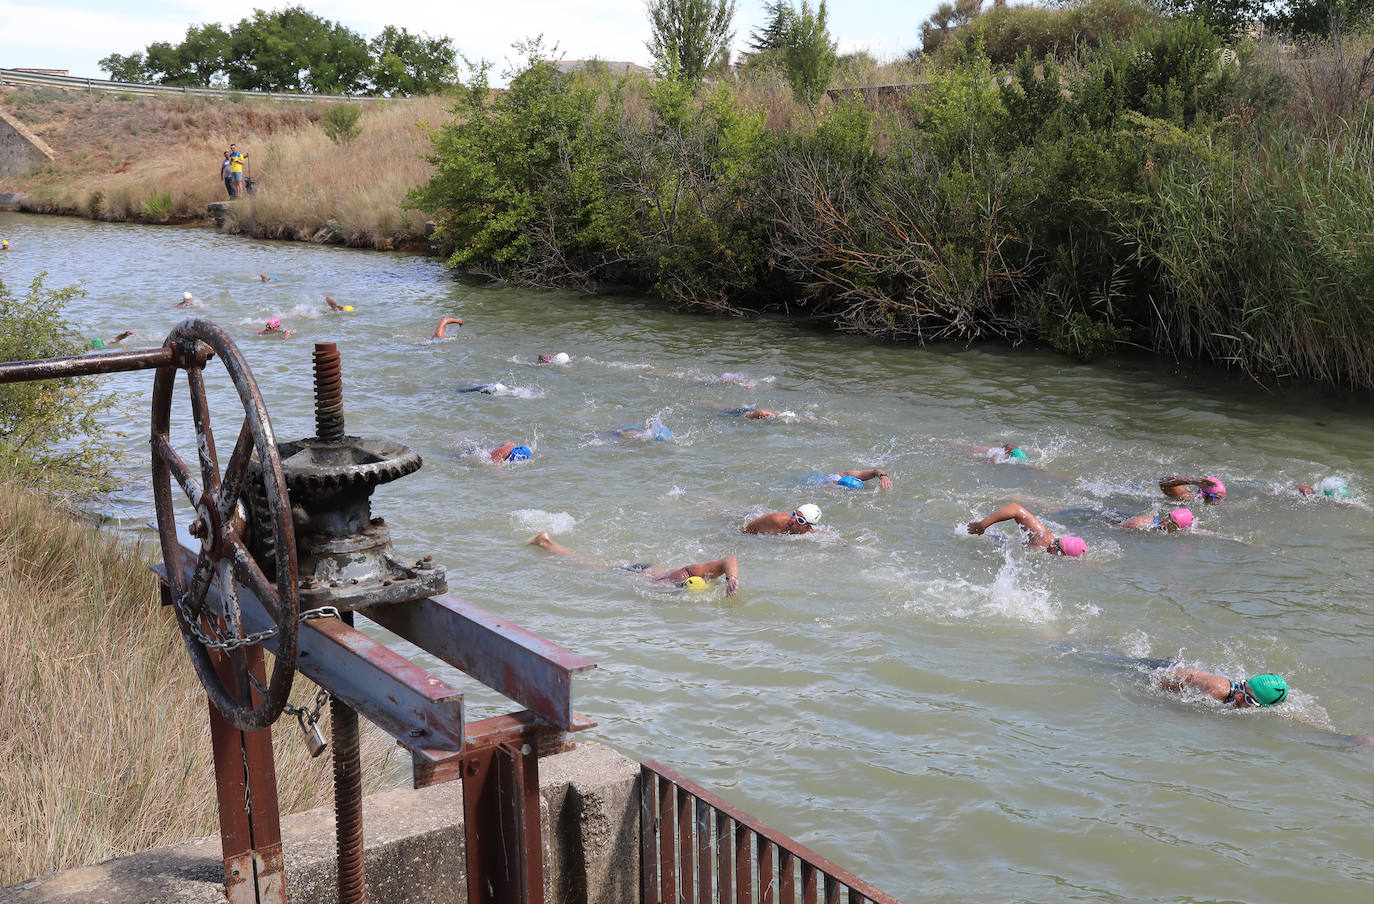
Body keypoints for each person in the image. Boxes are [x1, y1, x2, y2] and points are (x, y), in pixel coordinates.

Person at [526, 531, 739, 596]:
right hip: (637, 573)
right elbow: (729, 558)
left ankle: (548, 544)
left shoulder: (699, 573)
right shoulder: (693, 573)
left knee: (594, 561)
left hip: (646, 570)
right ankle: (545, 543)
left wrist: (732, 578)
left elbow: (730, 560)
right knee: (588, 564)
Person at [966, 502, 1087, 556]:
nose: (1054, 546)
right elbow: (1015, 509)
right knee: (962, 532)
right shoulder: (1043, 539)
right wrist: (982, 525)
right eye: (1056, 542)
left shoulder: (1049, 551)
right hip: (988, 542)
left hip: (1008, 547)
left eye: (1058, 550)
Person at [742, 504, 821, 535]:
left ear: (808, 526)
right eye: (794, 514)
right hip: (755, 515)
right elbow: (748, 530)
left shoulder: (809, 533)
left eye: (800, 520)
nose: (793, 520)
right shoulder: (776, 520)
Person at [1160, 475, 1226, 504]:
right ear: (1204, 495)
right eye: (1217, 497)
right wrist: (1193, 481)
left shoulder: (1221, 503)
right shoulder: (1187, 498)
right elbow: (1163, 482)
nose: (1220, 501)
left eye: (1223, 498)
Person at [1119, 507, 1194, 532]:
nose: (1165, 523)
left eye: (1172, 526)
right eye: (1167, 518)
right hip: (1118, 520)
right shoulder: (1140, 525)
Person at [820, 468, 893, 490]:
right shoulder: (830, 485)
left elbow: (875, 471)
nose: (860, 480)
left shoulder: (849, 475)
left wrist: (884, 477)